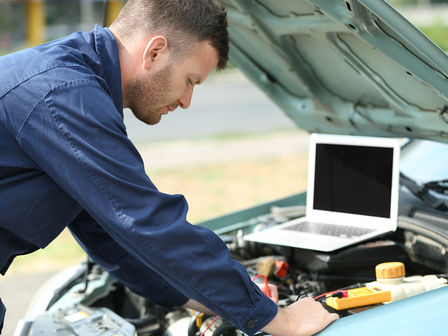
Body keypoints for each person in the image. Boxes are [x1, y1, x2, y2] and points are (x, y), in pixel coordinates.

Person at [0, 0, 338, 335]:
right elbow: (146, 219)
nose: (186, 101)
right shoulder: (64, 96)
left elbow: (110, 237)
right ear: (155, 52)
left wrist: (216, 298)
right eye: (190, 80)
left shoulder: (74, 80)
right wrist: (279, 320)